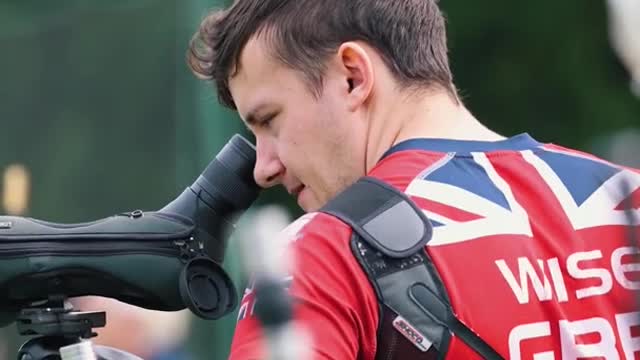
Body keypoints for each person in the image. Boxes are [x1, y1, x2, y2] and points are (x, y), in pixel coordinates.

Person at [187, 0, 640, 358]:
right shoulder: (629, 196)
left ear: (352, 76)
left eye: (269, 120)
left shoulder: (328, 249)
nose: (263, 167)